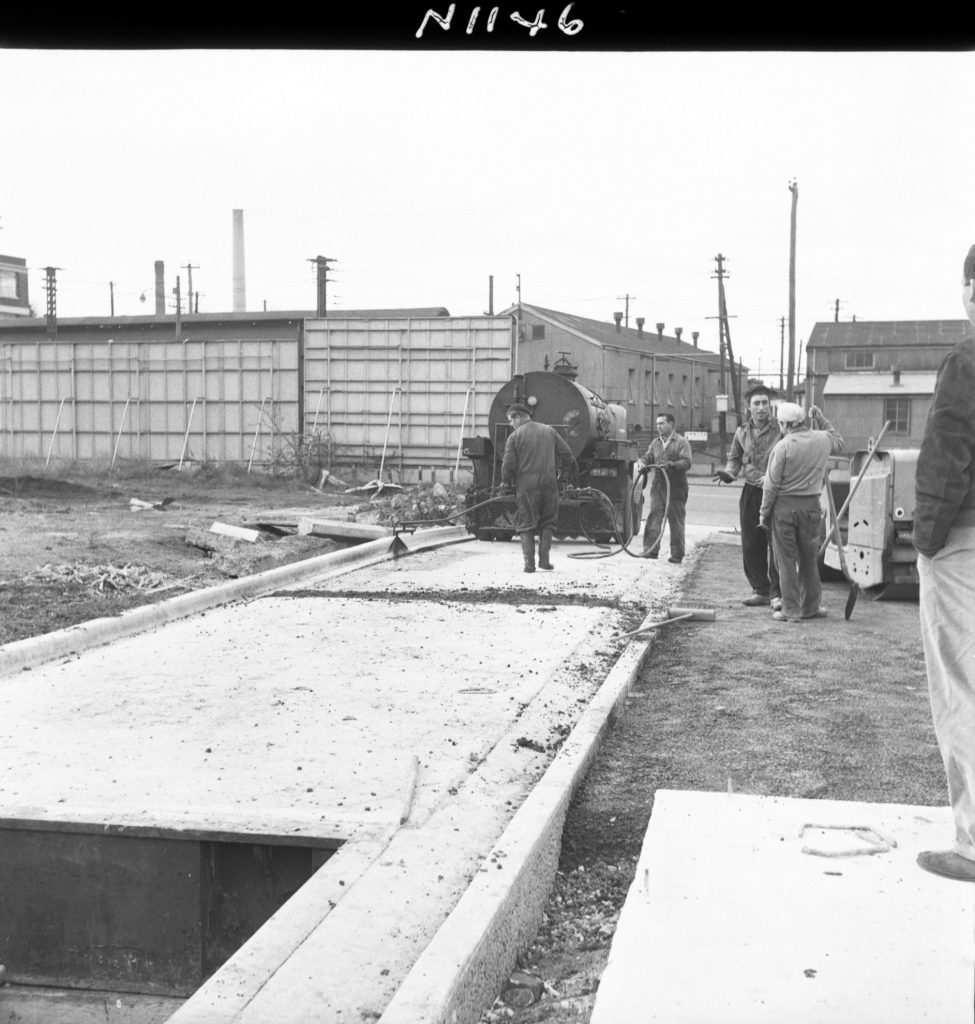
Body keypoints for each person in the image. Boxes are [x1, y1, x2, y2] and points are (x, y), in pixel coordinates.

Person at [913, 243, 975, 883]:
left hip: (965, 542)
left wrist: (926, 540)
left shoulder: (968, 358)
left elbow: (945, 456)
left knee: (963, 688)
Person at [758, 401, 843, 622]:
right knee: (808, 559)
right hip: (812, 506)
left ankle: (791, 610)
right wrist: (822, 419)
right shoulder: (822, 439)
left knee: (785, 561)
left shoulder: (783, 447)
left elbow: (771, 485)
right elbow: (839, 441)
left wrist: (763, 513)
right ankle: (811, 607)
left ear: (785, 424)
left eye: (781, 424)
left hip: (784, 509)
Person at [714, 384, 783, 610]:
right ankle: (760, 590)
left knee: (777, 543)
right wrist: (729, 473)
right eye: (757, 403)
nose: (762, 407)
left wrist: (773, 479)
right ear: (748, 407)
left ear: (770, 405)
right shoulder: (741, 432)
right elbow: (734, 459)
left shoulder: (781, 428)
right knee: (751, 543)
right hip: (752, 491)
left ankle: (777, 594)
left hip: (777, 492)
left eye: (765, 403)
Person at [500, 402, 574, 574]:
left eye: (511, 420)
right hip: (549, 484)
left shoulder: (515, 436)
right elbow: (567, 455)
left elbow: (508, 464)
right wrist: (563, 475)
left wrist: (505, 482)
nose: (511, 424)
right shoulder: (549, 431)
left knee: (526, 523)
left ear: (518, 418)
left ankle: (529, 565)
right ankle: (545, 562)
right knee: (548, 522)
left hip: (527, 485)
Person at [637, 413, 693, 563]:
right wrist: (642, 464)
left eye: (662, 423)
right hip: (658, 485)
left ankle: (677, 554)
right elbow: (647, 457)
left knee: (676, 520)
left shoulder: (681, 442)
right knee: (654, 517)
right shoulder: (655, 443)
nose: (658, 427)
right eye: (657, 424)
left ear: (671, 424)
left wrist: (673, 465)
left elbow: (687, 462)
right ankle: (650, 550)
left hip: (676, 486)